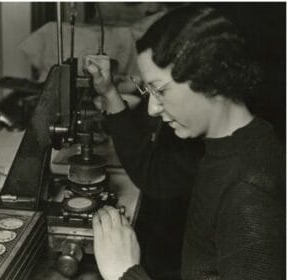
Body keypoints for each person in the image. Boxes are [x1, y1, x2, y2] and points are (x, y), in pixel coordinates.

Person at [85, 6, 285, 280]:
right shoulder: (226, 145)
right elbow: (156, 174)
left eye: (161, 90)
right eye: (149, 91)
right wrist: (109, 92)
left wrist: (125, 272)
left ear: (210, 79)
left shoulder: (250, 192)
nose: (152, 108)